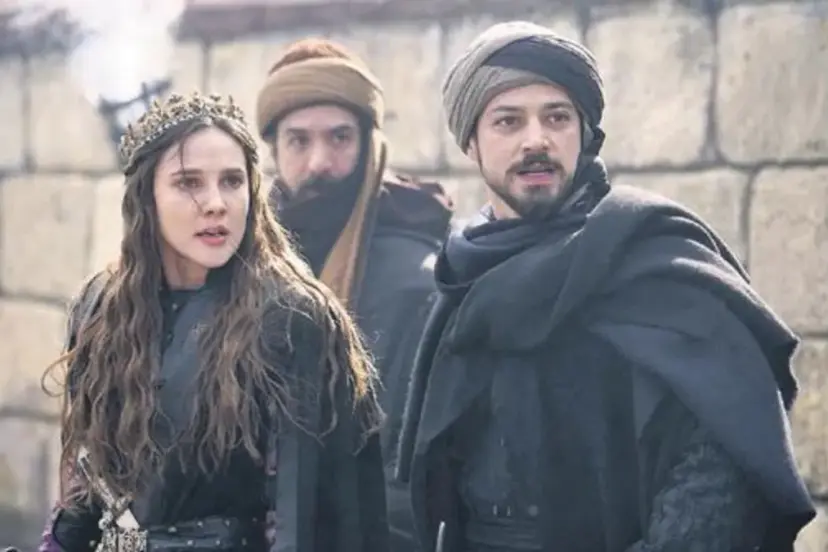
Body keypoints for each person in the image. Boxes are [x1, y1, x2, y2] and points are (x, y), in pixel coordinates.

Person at [395, 21, 815, 552]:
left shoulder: (651, 259)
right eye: (508, 121)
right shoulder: (463, 275)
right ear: (471, 143)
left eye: (557, 117)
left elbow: (722, 463)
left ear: (584, 132)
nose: (536, 140)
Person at [33, 91, 389, 552]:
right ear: (147, 197)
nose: (216, 203)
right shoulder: (100, 307)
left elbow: (301, 515)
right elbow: (83, 494)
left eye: (232, 181)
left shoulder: (289, 316)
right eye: (189, 183)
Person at [255, 38, 453, 552]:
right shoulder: (247, 263)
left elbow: (403, 476)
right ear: (274, 151)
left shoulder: (414, 282)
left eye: (340, 138)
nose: (320, 161)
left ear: (369, 146)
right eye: (298, 141)